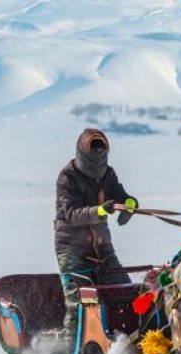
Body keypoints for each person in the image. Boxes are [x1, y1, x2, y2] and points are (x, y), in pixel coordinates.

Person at [54, 128, 138, 342]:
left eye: (101, 149)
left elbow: (121, 195)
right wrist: (99, 211)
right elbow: (71, 214)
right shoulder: (67, 177)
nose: (98, 153)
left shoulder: (108, 173)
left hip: (103, 249)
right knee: (77, 308)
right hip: (73, 251)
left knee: (127, 294)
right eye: (94, 149)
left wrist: (130, 204)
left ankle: (130, 347)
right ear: (82, 151)